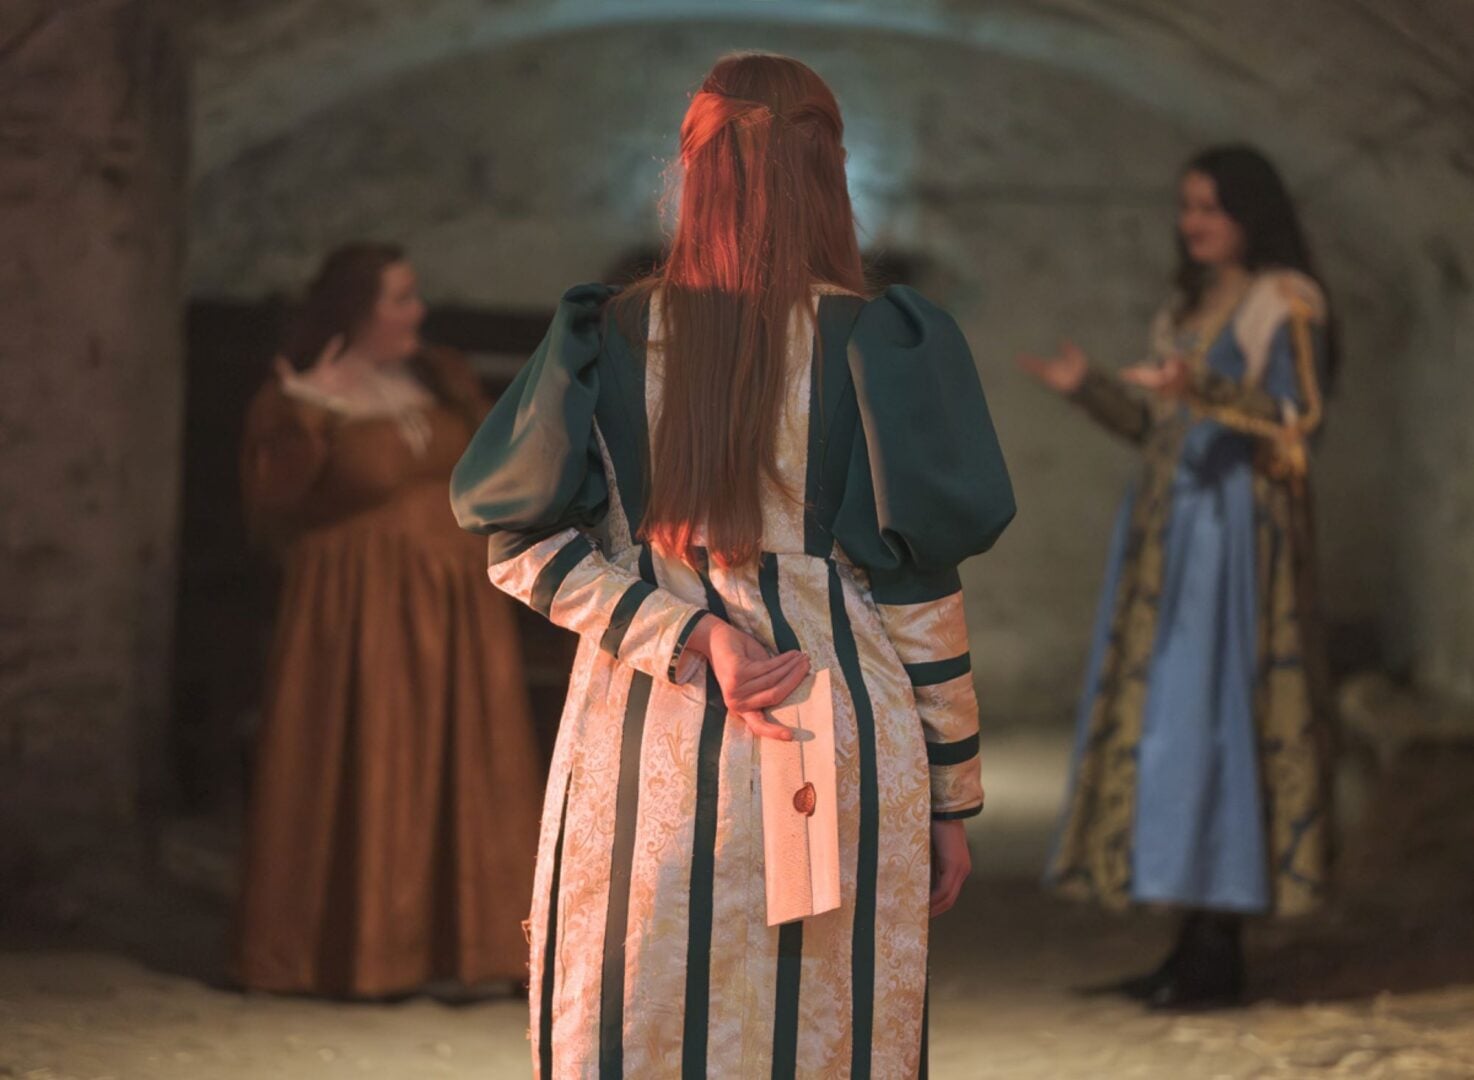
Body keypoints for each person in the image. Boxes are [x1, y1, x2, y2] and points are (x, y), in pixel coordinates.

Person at [450, 52, 1015, 1078]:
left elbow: (521, 544)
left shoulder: (607, 338)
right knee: (825, 1033)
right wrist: (950, 797)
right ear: (828, 171)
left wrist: (685, 632)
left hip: (642, 741)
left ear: (692, 169)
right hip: (842, 736)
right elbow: (922, 597)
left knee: (640, 1016)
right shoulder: (883, 344)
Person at [1020, 145, 1337, 1008]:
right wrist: (1089, 389)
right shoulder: (1190, 306)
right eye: (1187, 206)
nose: (1193, 222)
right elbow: (1163, 428)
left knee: (1222, 718)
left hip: (1236, 539)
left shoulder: (1284, 303)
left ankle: (1217, 948)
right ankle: (1188, 941)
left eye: (1210, 207)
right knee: (1171, 728)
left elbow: (1297, 417)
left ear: (1249, 213)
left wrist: (1201, 387)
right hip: (1172, 538)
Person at [235, 243, 542, 998]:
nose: (417, 311)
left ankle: (478, 949)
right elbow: (274, 509)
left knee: (472, 762)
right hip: (357, 613)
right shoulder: (300, 401)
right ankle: (362, 952)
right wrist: (308, 409)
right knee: (372, 759)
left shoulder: (438, 377)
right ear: (356, 310)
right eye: (400, 298)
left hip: (458, 607)